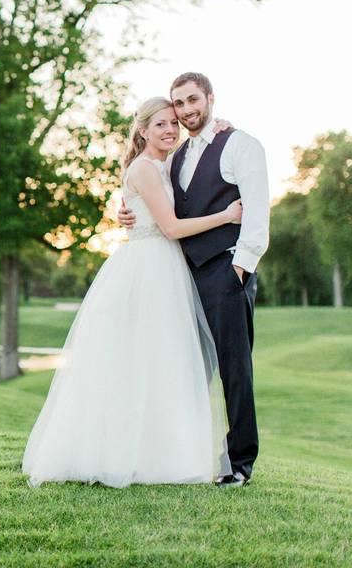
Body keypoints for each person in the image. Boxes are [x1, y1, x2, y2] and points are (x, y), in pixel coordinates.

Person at [22, 97, 238, 489]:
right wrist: (226, 217)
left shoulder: (162, 164)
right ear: (142, 130)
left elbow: (150, 208)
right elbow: (171, 227)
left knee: (159, 362)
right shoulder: (144, 168)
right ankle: (126, 455)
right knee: (140, 360)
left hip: (164, 265)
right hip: (150, 269)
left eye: (174, 123)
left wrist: (215, 126)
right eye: (161, 125)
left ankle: (159, 455)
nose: (170, 130)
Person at [118, 72, 269, 487]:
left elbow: (257, 211)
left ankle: (239, 464)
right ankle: (173, 452)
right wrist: (126, 212)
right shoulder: (177, 156)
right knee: (182, 368)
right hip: (181, 276)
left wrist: (241, 266)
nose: (185, 112)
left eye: (191, 101)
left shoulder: (239, 144)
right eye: (178, 105)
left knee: (234, 368)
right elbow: (156, 202)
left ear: (210, 98)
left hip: (225, 271)